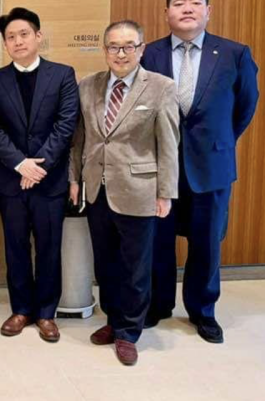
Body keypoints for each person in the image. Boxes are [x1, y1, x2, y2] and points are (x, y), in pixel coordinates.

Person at [141, 0, 259, 343]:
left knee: (207, 243)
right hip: (161, 166)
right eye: (179, 3)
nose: (187, 8)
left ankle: (203, 312)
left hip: (211, 166)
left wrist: (218, 141)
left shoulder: (234, 53)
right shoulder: (149, 54)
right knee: (158, 241)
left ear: (208, 10)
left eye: (195, 2)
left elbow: (245, 106)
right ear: (166, 13)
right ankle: (158, 305)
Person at [69, 20, 179, 366]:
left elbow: (169, 144)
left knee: (135, 266)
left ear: (141, 49)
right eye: (113, 46)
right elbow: (79, 139)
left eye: (128, 46)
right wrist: (75, 179)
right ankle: (113, 321)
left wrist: (166, 193)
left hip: (139, 190)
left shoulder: (160, 87)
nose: (120, 53)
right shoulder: (88, 86)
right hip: (97, 189)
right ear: (104, 50)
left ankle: (130, 332)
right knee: (106, 263)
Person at [0, 8, 79, 343]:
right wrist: (21, 164)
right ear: (5, 43)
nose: (18, 41)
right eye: (11, 37)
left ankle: (46, 313)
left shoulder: (63, 74)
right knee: (16, 246)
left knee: (50, 247)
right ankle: (21, 309)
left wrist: (39, 167)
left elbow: (66, 124)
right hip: (11, 179)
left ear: (38, 36)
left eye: (24, 34)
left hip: (49, 181)